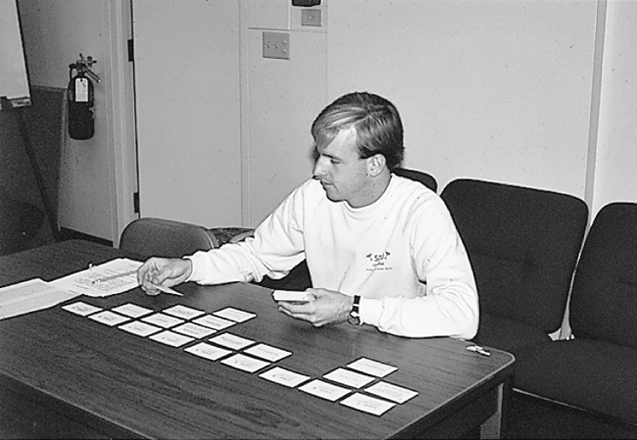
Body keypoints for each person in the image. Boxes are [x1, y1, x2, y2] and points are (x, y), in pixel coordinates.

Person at [137, 91, 479, 339]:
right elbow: (257, 255)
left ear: (375, 164)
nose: (317, 170)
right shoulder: (313, 197)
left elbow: (463, 315)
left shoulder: (420, 209)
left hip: (401, 348)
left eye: (333, 160)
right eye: (319, 155)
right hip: (334, 341)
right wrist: (190, 266)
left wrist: (354, 308)